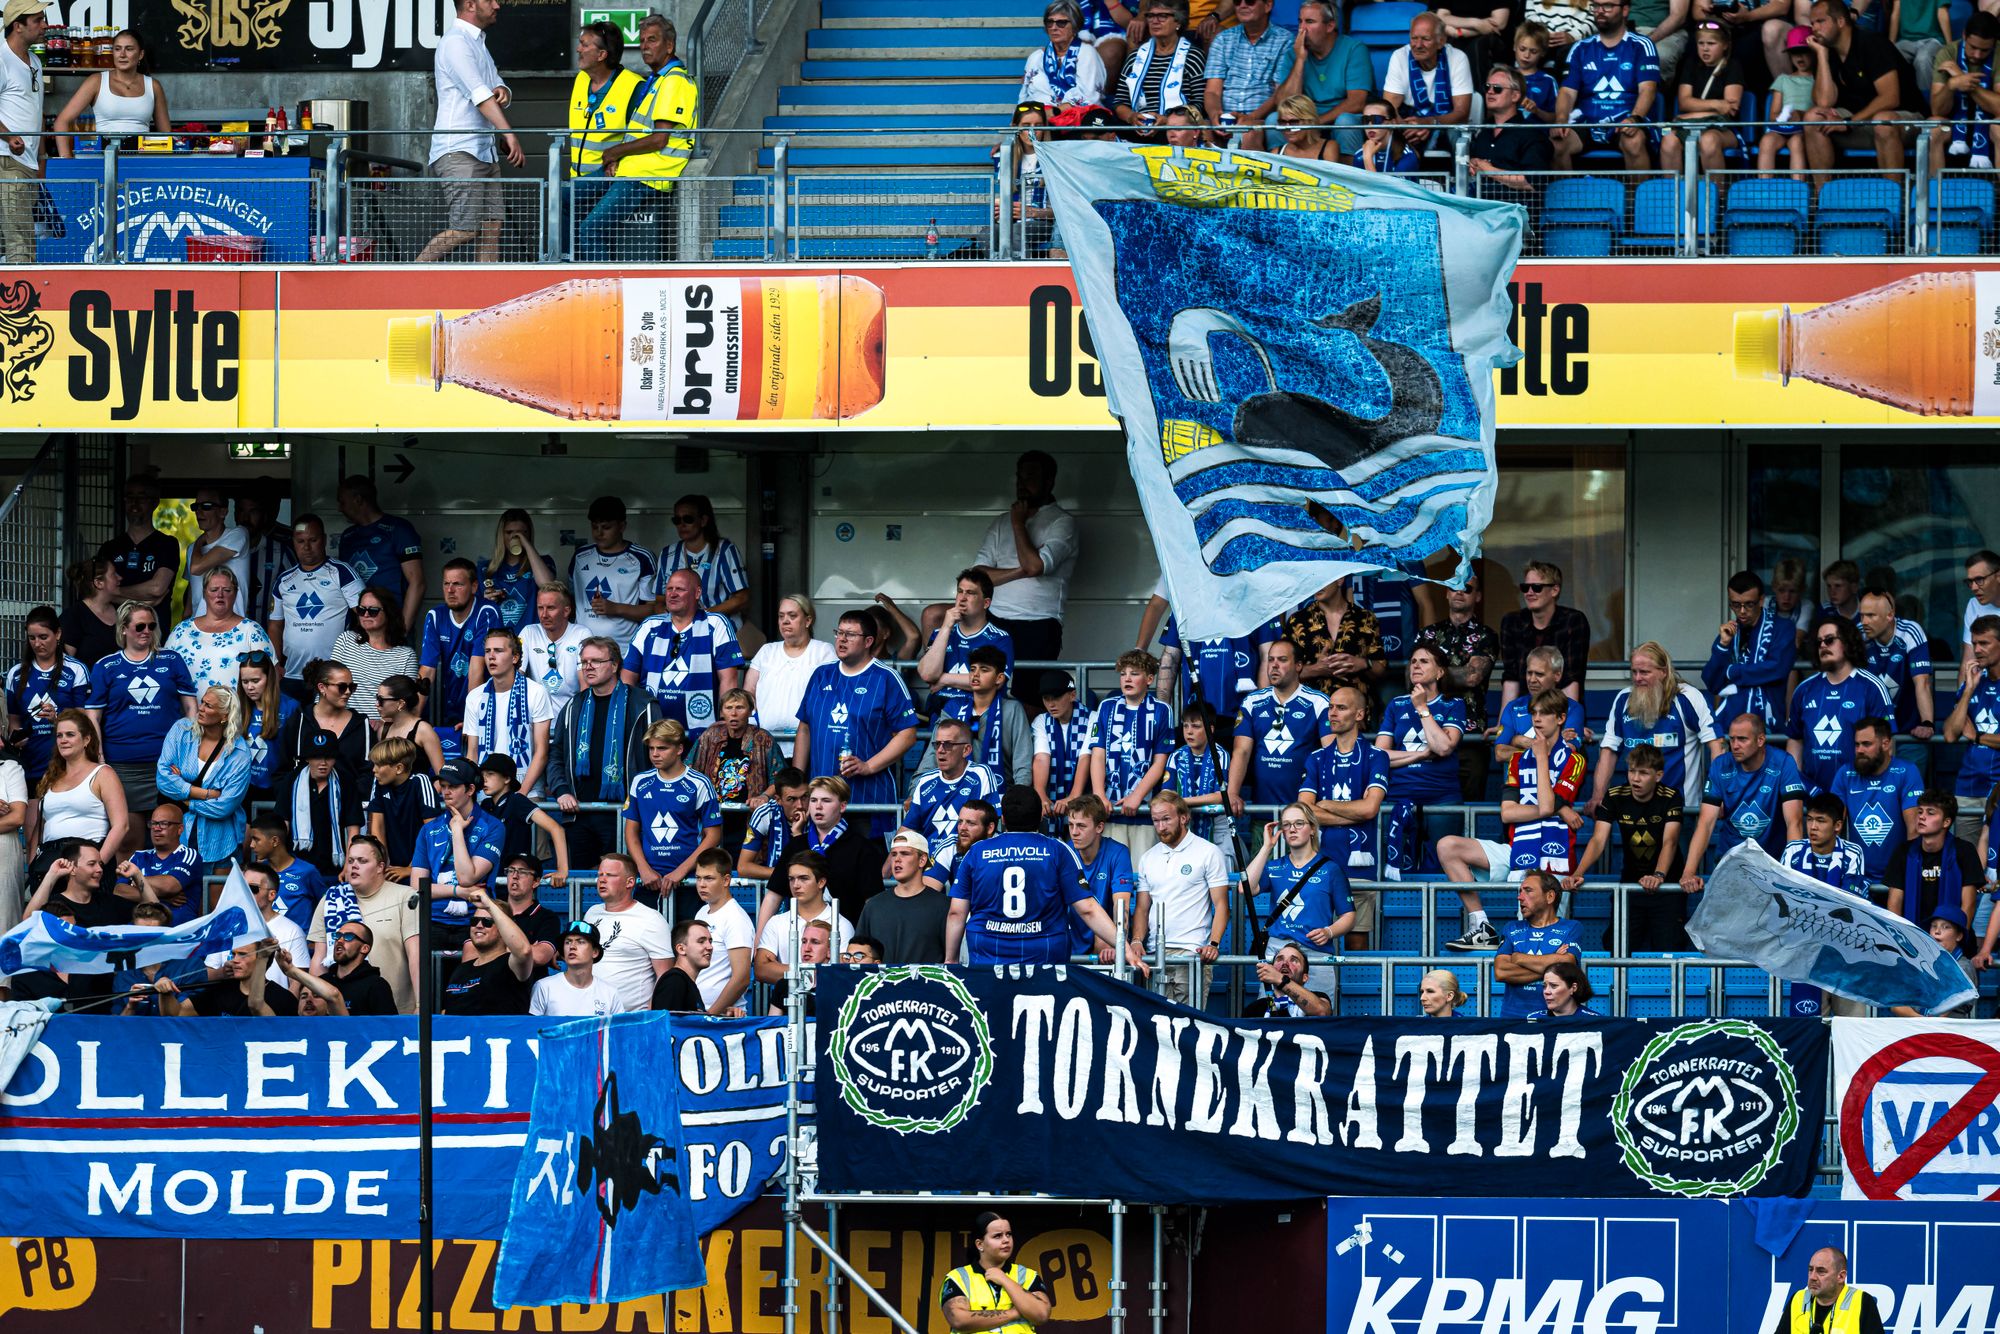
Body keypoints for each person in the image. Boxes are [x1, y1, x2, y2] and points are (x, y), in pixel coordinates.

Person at [1438, 689, 1586, 949]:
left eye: (1545, 713)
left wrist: (1541, 758)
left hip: (1553, 857)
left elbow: (1547, 805)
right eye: (1533, 713)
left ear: (1561, 718)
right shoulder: (1518, 760)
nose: (1537, 719)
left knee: (1537, 942)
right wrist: (1559, 809)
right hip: (1517, 849)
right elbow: (1508, 813)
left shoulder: (1574, 760)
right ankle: (1481, 926)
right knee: (1448, 846)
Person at [944, 786, 1142, 969]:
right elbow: (1088, 909)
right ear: (1040, 817)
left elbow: (956, 913)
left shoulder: (976, 852)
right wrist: (1125, 949)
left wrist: (950, 959)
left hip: (988, 956)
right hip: (1044, 957)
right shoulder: (1058, 850)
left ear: (1002, 819)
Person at [577, 14, 696, 263]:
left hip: (647, 177)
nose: (644, 46)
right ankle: (569, 265)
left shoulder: (674, 81)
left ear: (669, 46)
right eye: (642, 41)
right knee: (563, 197)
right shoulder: (658, 80)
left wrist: (615, 152)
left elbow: (659, 139)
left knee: (590, 229)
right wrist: (618, 159)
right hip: (629, 170)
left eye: (652, 40)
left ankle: (604, 285)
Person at [793, 610, 921, 836]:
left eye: (850, 635)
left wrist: (868, 766)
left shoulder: (886, 678)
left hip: (868, 800)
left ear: (868, 641)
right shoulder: (821, 674)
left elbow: (908, 734)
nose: (841, 640)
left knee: (866, 857)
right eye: (839, 633)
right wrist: (798, 780)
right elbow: (805, 728)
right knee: (820, 858)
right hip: (822, 799)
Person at [417, 0, 524, 263]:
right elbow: (480, 96)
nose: (497, 5)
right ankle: (409, 274)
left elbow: (496, 87)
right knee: (464, 229)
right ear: (470, 5)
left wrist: (504, 91)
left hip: (484, 152)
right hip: (459, 150)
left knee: (492, 228)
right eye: (490, 0)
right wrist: (509, 134)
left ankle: (486, 288)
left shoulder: (477, 42)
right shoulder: (456, 42)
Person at [970, 452, 1079, 704]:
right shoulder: (1001, 522)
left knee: (1028, 698)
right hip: (995, 618)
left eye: (1030, 477)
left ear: (1049, 481)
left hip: (1038, 623)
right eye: (1020, 477)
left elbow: (1035, 566)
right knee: (987, 692)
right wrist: (1020, 571)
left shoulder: (1062, 522)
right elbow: (977, 576)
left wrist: (1018, 524)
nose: (1022, 483)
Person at [548, 636, 660, 869]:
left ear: (615, 665)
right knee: (579, 881)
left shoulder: (643, 704)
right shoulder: (573, 706)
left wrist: (643, 800)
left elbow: (659, 756)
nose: (588, 667)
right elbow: (556, 754)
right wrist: (561, 790)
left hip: (626, 814)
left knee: (620, 878)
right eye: (584, 662)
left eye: (596, 661)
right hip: (579, 812)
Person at [86, 601, 195, 836]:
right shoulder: (106, 666)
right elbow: (93, 716)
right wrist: (99, 756)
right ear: (123, 629)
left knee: (169, 835)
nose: (147, 631)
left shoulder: (172, 660)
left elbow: (190, 709)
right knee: (128, 838)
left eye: (151, 626)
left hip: (168, 763)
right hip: (122, 766)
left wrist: (188, 753)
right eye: (140, 626)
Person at [1564, 743, 1686, 950]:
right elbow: (1598, 840)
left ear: (1658, 776)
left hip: (1667, 886)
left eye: (1643, 773)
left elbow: (1670, 841)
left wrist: (1658, 876)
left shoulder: (1671, 796)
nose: (1635, 778)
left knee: (1669, 948)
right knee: (1616, 947)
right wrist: (1578, 872)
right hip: (1631, 885)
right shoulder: (1615, 795)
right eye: (1631, 771)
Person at [1587, 641, 1721, 815]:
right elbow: (1609, 751)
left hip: (1681, 808)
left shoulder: (1688, 697)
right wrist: (1598, 795)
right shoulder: (1623, 699)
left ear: (1663, 672)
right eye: (1634, 672)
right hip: (1635, 811)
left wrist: (1716, 796)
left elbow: (1716, 745)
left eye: (1644, 672)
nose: (1637, 678)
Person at [1680, 714, 1808, 891]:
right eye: (1732, 739)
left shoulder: (1783, 762)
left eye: (1742, 739)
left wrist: (1792, 874)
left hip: (1773, 864)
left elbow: (1794, 822)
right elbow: (1705, 823)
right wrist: (1688, 872)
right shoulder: (1720, 765)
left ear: (1760, 740)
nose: (1735, 745)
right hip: (1731, 864)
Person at [1802, 0, 1922, 177]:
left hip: (1904, 121)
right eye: (1812, 23)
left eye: (1820, 21)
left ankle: (1894, 193)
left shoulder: (1872, 43)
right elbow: (1824, 102)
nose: (1814, 28)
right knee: (1813, 118)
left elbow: (1890, 97)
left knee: (1883, 122)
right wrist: (1821, 55)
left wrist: (1849, 123)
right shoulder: (1826, 51)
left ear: (1840, 21)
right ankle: (1821, 193)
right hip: (1859, 123)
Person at [1376, 645, 1467, 878]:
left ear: (1440, 672)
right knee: (1396, 871)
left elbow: (1444, 747)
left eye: (1424, 661)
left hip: (1442, 798)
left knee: (1442, 871)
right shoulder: (1396, 704)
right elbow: (1379, 756)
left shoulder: (1453, 704)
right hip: (1399, 797)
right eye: (1413, 661)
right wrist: (1421, 755)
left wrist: (1422, 708)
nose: (1416, 665)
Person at [623, 569, 744, 743]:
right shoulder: (650, 626)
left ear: (697, 593)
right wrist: (630, 720)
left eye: (680, 589)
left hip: (704, 733)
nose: (672, 594)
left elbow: (729, 679)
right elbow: (627, 677)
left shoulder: (716, 623)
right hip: (652, 730)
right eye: (669, 589)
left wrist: (723, 726)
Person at [1245, 802, 1352, 997]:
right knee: (1273, 1012)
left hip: (1316, 953)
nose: (1292, 829)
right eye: (1286, 824)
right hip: (1278, 952)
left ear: (1312, 829)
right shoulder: (1274, 866)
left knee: (1319, 1012)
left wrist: (1329, 932)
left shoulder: (1330, 869)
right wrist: (1266, 847)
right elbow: (1246, 888)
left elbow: (1348, 915)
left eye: (1299, 823)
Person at [1132, 792, 1230, 1005]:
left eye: (1166, 819)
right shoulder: (1147, 858)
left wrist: (1213, 944)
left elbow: (1222, 904)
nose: (1160, 827)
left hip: (1191, 952)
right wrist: (1137, 940)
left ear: (1184, 818)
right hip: (1155, 953)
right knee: (1157, 1021)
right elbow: (1142, 908)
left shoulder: (1209, 852)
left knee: (1189, 1022)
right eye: (1156, 820)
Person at [623, 718, 722, 919]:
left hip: (689, 880)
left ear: (679, 749)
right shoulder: (640, 782)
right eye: (651, 748)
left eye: (662, 748)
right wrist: (643, 869)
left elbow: (713, 835)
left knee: (686, 936)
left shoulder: (699, 783)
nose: (655, 754)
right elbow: (631, 831)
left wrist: (681, 871)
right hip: (648, 881)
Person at [1787, 615, 1894, 798]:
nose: (1823, 646)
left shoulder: (1872, 687)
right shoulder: (1804, 690)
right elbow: (1795, 740)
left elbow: (1887, 745)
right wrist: (1799, 787)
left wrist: (1875, 792)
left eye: (1829, 640)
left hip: (1860, 794)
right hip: (1813, 797)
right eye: (1819, 642)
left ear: (1847, 642)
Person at [309, 836, 419, 1014]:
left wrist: (420, 1005)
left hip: (395, 1012)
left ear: (380, 867)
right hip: (338, 1013)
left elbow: (416, 955)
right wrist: (316, 1008)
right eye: (351, 860)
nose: (354, 866)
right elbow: (319, 960)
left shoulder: (406, 896)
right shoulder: (331, 899)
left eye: (362, 861)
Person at [264, 515, 364, 704]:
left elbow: (365, 617)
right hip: (291, 673)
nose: (307, 547)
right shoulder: (284, 580)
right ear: (293, 542)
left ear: (324, 540)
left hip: (332, 675)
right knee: (292, 721)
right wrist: (275, 664)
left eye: (313, 540)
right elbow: (275, 625)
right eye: (300, 541)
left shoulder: (342, 572)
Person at [1229, 639, 1332, 822]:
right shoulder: (1252, 702)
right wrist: (1232, 792)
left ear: (1298, 666)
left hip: (1305, 816)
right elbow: (1241, 751)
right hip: (1262, 814)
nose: (1274, 665)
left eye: (1282, 660)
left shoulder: (1319, 702)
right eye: (1271, 660)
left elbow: (1331, 753)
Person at [1549, 0, 1660, 170]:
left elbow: (1648, 89)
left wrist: (1635, 118)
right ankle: (1567, 189)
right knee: (1557, 142)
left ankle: (1637, 189)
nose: (1600, 11)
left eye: (1607, 6)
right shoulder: (1580, 48)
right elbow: (1567, 92)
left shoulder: (1642, 45)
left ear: (1625, 10)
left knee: (1634, 141)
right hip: (1587, 121)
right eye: (1596, 6)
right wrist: (1561, 120)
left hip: (1625, 119)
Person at [411, 757, 506, 952]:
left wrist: (456, 831)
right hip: (432, 919)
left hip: (477, 922)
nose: (446, 792)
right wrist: (458, 891)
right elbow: (417, 888)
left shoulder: (493, 827)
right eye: (443, 785)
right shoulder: (428, 830)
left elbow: (467, 877)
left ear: (470, 790)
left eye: (453, 786)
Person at [153, 685, 251, 871]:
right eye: (202, 702)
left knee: (217, 890)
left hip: (220, 840)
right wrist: (206, 794)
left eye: (209, 706)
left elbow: (224, 807)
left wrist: (184, 797)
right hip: (177, 835)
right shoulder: (181, 730)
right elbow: (163, 779)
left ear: (224, 716)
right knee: (176, 888)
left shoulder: (240, 754)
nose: (201, 708)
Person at [1089, 649, 1175, 857]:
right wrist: (1099, 794)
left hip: (1144, 812)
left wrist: (1137, 796)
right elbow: (1098, 755)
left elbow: (1160, 762)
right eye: (1123, 674)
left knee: (1142, 870)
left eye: (1134, 673)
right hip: (1110, 810)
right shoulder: (1106, 707)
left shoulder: (1162, 710)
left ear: (1150, 679)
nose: (1127, 678)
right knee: (1112, 869)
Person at [27, 714, 123, 878]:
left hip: (88, 857)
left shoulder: (103, 773)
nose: (63, 740)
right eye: (59, 735)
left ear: (86, 739)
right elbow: (39, 827)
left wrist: (96, 866)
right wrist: (32, 865)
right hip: (49, 862)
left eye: (70, 734)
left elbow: (121, 825)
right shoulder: (49, 777)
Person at [566, 20, 642, 225]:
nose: (578, 49)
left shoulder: (633, 86)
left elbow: (640, 137)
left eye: (584, 45)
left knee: (559, 197)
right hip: (578, 179)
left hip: (607, 180)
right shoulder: (581, 79)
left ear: (601, 55)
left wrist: (617, 159)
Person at [7, 606, 91, 789]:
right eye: (32, 638)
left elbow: (84, 723)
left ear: (58, 634)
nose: (37, 643)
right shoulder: (15, 674)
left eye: (43, 637)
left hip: (66, 765)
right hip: (28, 765)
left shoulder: (77, 670)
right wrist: (17, 739)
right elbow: (14, 720)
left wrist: (57, 719)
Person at [464, 629, 554, 797]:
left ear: (515, 658)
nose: (491, 656)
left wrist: (521, 794)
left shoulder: (536, 692)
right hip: (486, 788)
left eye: (498, 651)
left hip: (527, 789)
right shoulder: (474, 697)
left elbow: (541, 752)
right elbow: (472, 753)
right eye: (487, 651)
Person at [1830, 716, 1923, 880]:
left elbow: (1914, 830)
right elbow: (1833, 825)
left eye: (1867, 744)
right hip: (1855, 874)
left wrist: (1906, 877)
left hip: (1895, 875)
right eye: (1857, 744)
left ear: (1885, 744)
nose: (1859, 750)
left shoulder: (1907, 771)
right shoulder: (1845, 773)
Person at [1705, 569, 1795, 737]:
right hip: (1732, 729)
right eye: (1736, 605)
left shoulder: (1783, 627)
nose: (1742, 611)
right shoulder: (1729, 632)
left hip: (1768, 729)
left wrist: (1731, 672)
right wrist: (1723, 646)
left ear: (1761, 600)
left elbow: (1776, 668)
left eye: (1749, 604)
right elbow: (1712, 682)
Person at [581, 852, 674, 1011]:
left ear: (630, 882)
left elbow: (665, 976)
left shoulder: (651, 919)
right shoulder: (592, 912)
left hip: (630, 1017)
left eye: (610, 875)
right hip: (588, 1013)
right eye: (600, 875)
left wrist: (650, 1015)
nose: (602, 880)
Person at [164, 569, 276, 699]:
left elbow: (271, 675)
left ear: (235, 594)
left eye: (227, 590)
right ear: (204, 593)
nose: (220, 595)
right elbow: (163, 673)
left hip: (238, 711)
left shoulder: (251, 630)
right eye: (214, 590)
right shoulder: (182, 630)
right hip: (188, 711)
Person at [419, 559, 501, 734]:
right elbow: (427, 671)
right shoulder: (435, 615)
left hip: (482, 706)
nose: (450, 590)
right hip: (446, 705)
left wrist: (471, 719)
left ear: (474, 587)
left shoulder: (486, 612)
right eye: (446, 583)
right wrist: (412, 719)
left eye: (457, 584)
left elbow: (476, 670)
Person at [334, 477, 426, 633]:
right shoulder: (348, 537)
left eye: (343, 502)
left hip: (392, 624)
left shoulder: (399, 529)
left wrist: (401, 630)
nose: (339, 509)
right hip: (358, 626)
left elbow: (417, 582)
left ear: (358, 500)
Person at [904, 716, 1005, 856]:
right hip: (930, 862)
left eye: (948, 744)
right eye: (937, 744)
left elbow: (992, 827)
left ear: (966, 750)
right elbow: (907, 830)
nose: (940, 750)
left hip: (968, 858)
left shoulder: (981, 774)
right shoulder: (925, 780)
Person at [1498, 561, 1590, 716]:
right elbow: (1511, 678)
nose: (1529, 592)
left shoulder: (1573, 621)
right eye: (1525, 587)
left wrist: (1569, 722)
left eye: (1536, 587)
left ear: (1554, 590)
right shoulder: (1512, 622)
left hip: (1559, 711)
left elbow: (1571, 678)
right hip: (1523, 713)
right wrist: (1503, 722)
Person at [692, 687, 781, 843]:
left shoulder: (763, 738)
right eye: (728, 708)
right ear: (721, 712)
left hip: (750, 817)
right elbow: (691, 771)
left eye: (740, 707)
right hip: (713, 818)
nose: (733, 713)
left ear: (750, 711)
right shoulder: (710, 736)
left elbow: (780, 778)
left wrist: (764, 796)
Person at [570, 496, 658, 652]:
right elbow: (569, 600)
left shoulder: (642, 557)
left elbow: (654, 609)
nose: (599, 533)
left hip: (624, 650)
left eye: (606, 527)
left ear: (622, 526)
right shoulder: (580, 556)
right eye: (594, 526)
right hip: (583, 648)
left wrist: (616, 608)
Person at [1493, 871, 1586, 1018]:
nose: (1519, 897)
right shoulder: (1511, 927)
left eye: (1528, 891)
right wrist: (1554, 962)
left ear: (1550, 896)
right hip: (1513, 1019)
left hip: (1556, 1019)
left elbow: (1568, 964)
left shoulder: (1571, 927)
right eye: (1520, 892)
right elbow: (1501, 972)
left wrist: (1519, 958)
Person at [941, 1214, 1054, 1334]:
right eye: (997, 1236)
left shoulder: (1027, 1275)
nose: (1006, 1240)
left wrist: (1004, 1279)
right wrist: (1014, 1313)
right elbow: (958, 1320)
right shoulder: (958, 1277)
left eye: (1008, 1234)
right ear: (980, 1244)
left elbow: (1041, 1315)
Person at [754, 851, 856, 984]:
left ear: (821, 882)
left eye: (803, 878)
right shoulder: (776, 922)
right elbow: (761, 970)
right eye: (791, 879)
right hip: (785, 997)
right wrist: (817, 971)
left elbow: (840, 974)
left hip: (824, 997)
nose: (795, 885)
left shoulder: (841, 925)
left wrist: (782, 969)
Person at [1884, 790, 1981, 928]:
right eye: (1920, 812)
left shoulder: (1965, 851)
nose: (1922, 817)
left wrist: (1958, 936)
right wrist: (1900, 936)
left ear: (1946, 822)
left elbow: (1968, 904)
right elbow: (1895, 901)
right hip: (1913, 934)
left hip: (1953, 934)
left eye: (1930, 813)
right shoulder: (1903, 851)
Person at [1202, 0, 1291, 148]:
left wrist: (1251, 117)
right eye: (1237, 1)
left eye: (1250, 1)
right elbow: (1212, 91)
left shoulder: (1284, 40)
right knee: (1197, 130)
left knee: (1250, 133)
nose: (1242, 5)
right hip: (1225, 116)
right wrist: (1215, 115)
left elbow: (1279, 94)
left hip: (1260, 118)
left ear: (1268, 5)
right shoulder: (1223, 39)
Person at [1662, 21, 1748, 175]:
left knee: (1708, 140)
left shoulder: (1733, 66)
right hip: (1688, 127)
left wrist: (1690, 114)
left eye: (1711, 43)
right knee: (1667, 138)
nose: (1705, 48)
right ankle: (1673, 190)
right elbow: (1684, 103)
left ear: (1725, 45)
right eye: (1701, 43)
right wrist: (1716, 104)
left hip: (1723, 130)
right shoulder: (1690, 65)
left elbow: (1729, 110)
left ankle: (1716, 190)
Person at [745, 592, 836, 737]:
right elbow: (749, 692)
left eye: (792, 616)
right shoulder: (766, 651)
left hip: (809, 740)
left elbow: (832, 695)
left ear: (808, 621)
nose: (785, 621)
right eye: (781, 616)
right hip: (767, 741)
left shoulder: (823, 651)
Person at [920, 569, 1017, 702]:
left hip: (978, 711)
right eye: (960, 591)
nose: (962, 598)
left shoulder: (1000, 638)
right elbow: (927, 674)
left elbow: (993, 681)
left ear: (986, 603)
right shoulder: (940, 633)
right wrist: (946, 627)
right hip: (939, 710)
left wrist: (943, 679)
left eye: (970, 593)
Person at [96, 475, 179, 630]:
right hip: (116, 633)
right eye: (129, 497)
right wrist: (146, 601)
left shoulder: (167, 544)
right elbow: (98, 593)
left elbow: (157, 588)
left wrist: (115, 592)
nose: (134, 503)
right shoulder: (110, 548)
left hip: (153, 634)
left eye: (141, 498)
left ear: (155, 502)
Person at [1385, 12, 1474, 155]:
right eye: (1414, 38)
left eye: (1426, 39)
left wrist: (1430, 123)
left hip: (1444, 123)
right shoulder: (1399, 56)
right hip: (1407, 121)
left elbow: (1462, 113)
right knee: (1385, 128)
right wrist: (1409, 128)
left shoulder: (1457, 58)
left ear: (1441, 41)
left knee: (1456, 133)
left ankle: (1459, 171)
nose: (1418, 45)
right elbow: (1389, 108)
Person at [278, 659, 370, 795]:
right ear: (322, 687)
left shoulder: (362, 724)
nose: (348, 692)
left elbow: (368, 772)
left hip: (349, 804)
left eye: (352, 687)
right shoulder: (299, 720)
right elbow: (283, 768)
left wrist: (349, 801)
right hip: (304, 803)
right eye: (342, 687)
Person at [1857, 587, 1935, 746]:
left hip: (1910, 732)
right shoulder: (1858, 634)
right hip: (1870, 734)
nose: (1864, 622)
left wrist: (1927, 723)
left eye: (1871, 615)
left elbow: (1922, 683)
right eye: (1862, 615)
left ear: (1890, 615)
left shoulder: (1910, 631)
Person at [857, 829, 950, 964]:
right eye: (893, 854)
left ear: (922, 860)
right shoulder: (874, 906)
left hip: (925, 978)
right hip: (881, 978)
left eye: (905, 854)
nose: (897, 860)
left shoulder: (943, 906)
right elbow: (858, 954)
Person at [478, 753, 568, 891]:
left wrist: (562, 870)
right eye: (482, 775)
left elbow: (556, 829)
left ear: (507, 778)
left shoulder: (517, 800)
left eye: (490, 774)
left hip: (515, 882)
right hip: (489, 881)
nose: (484, 780)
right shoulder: (485, 805)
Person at [442, 886, 536, 1015]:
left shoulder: (511, 964)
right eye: (474, 921)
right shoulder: (461, 969)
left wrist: (489, 904)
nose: (479, 926)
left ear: (502, 929)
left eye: (487, 922)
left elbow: (524, 951)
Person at [0, 0, 46, 264]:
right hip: (7, 161)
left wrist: (41, 158)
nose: (44, 25)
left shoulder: (35, 61)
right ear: (18, 26)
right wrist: (8, 136)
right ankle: (22, 288)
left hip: (26, 163)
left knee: (17, 238)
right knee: (20, 242)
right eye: (37, 20)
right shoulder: (1, 59)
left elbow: (36, 112)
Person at [1114, 0, 1207, 129]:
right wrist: (1132, 117)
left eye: (1162, 16)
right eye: (1151, 16)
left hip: (1177, 129)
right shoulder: (1135, 57)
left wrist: (1168, 121)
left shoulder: (1193, 56)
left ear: (1178, 21)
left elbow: (1200, 103)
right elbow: (1120, 101)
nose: (1155, 21)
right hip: (1138, 127)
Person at [332, 587, 420, 723]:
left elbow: (408, 705)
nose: (366, 615)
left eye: (373, 611)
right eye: (361, 610)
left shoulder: (406, 656)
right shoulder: (345, 640)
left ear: (388, 613)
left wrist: (385, 724)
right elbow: (329, 686)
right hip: (343, 725)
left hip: (384, 730)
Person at [1949, 614, 2000, 841]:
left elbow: (1969, 733)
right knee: (1966, 858)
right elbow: (1950, 733)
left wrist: (1977, 736)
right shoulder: (1974, 681)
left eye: (1984, 643)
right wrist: (1968, 690)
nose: (1977, 650)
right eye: (1974, 643)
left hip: (1998, 788)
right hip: (1968, 787)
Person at [1928, 16, 1998, 176]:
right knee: (1932, 128)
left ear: (1994, 44)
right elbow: (1937, 110)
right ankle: (1935, 191)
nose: (1977, 55)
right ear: (1964, 35)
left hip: (1990, 122)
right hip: (1954, 123)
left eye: (1985, 50)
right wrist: (1951, 85)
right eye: (1973, 47)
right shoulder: (1947, 53)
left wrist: (1963, 80)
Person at [687, 847, 753, 1013]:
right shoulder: (702, 912)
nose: (701, 884)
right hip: (698, 1011)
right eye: (698, 878)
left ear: (726, 880)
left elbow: (741, 979)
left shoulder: (736, 918)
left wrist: (710, 1015)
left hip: (723, 1017)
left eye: (709, 878)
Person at [1767, 1247, 1886, 1334]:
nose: (1812, 1277)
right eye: (1810, 1270)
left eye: (1821, 1271)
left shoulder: (1862, 1302)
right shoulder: (1798, 1299)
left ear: (1841, 1276)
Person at [1165, 704, 1232, 855]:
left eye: (1196, 726)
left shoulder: (1221, 755)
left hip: (1217, 828)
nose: (1189, 731)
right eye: (1185, 726)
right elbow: (1166, 795)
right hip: (1183, 827)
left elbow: (1221, 796)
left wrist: (1183, 802)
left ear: (1210, 729)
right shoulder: (1176, 756)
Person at [476, 509, 557, 635]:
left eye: (522, 532)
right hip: (497, 639)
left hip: (532, 639)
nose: (515, 537)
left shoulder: (543, 562)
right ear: (501, 536)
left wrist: (526, 544)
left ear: (529, 534)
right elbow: (472, 611)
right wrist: (486, 601)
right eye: (509, 532)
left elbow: (547, 585)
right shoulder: (485, 568)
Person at [518, 581, 589, 716]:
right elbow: (516, 676)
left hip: (571, 717)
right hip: (536, 718)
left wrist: (578, 721)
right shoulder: (529, 632)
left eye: (550, 608)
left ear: (566, 611)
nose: (544, 615)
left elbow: (585, 685)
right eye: (540, 608)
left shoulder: (581, 634)